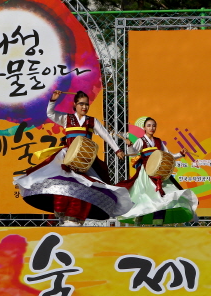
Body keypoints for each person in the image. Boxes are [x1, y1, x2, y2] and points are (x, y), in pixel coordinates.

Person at [14, 90, 133, 226]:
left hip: (85, 160)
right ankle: (62, 215)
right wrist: (53, 100)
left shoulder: (91, 121)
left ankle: (75, 218)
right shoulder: (67, 119)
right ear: (75, 105)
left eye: (86, 104)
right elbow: (50, 114)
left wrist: (117, 150)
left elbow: (105, 135)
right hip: (67, 157)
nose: (84, 107)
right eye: (81, 104)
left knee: (85, 187)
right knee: (62, 184)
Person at [119, 117, 198, 226]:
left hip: (159, 173)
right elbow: (133, 153)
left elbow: (168, 155)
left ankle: (158, 223)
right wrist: (130, 145)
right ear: (144, 128)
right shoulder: (141, 141)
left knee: (164, 196)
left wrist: (180, 154)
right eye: (149, 126)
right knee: (145, 197)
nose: (151, 128)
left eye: (153, 125)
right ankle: (138, 220)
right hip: (146, 174)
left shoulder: (158, 141)